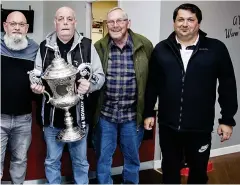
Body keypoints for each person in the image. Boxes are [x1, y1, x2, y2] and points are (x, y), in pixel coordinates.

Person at [144, 3, 238, 184]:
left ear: (198, 23)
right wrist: (148, 112)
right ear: (174, 23)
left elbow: (227, 85)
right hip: (168, 126)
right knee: (170, 172)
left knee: (198, 174)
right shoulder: (161, 49)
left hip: (200, 128)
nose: (184, 24)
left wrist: (227, 120)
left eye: (190, 20)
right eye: (180, 19)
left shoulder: (215, 49)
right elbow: (153, 84)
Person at [30, 6, 105, 184]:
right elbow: (36, 74)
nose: (65, 22)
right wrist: (36, 86)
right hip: (52, 118)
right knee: (52, 161)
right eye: (61, 19)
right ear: (55, 22)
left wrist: (90, 85)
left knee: (80, 162)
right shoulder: (44, 47)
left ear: (75, 22)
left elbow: (100, 76)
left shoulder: (87, 46)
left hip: (80, 118)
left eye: (69, 19)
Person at [93, 7, 153, 184]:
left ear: (128, 23)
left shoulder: (144, 45)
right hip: (106, 116)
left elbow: (152, 80)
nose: (115, 25)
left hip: (133, 116)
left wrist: (149, 111)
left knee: (132, 160)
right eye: (110, 21)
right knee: (103, 159)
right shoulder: (98, 48)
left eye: (120, 21)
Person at [1, 11, 38, 184]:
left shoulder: (35, 50)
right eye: (13, 23)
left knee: (20, 161)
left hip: (24, 118)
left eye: (21, 24)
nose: (17, 27)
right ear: (5, 26)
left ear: (27, 28)